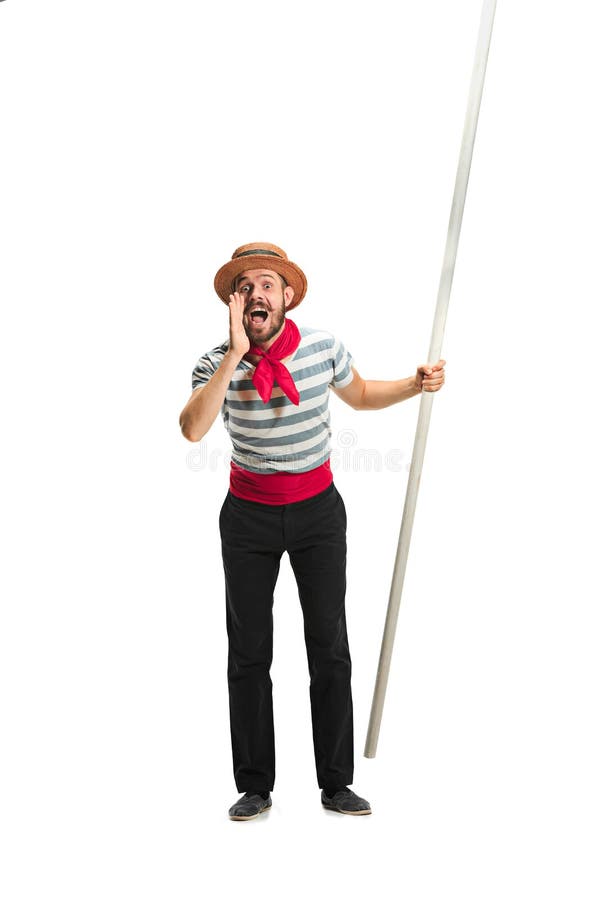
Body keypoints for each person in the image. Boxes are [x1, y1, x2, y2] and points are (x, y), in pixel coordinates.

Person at [179, 243, 445, 821]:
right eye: (244, 286)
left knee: (329, 647)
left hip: (318, 515)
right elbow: (193, 429)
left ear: (288, 297)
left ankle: (336, 783)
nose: (257, 294)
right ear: (233, 302)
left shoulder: (323, 346)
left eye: (267, 284)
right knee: (249, 652)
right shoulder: (214, 362)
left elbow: (364, 395)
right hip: (247, 518)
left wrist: (414, 383)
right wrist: (235, 356)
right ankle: (255, 785)